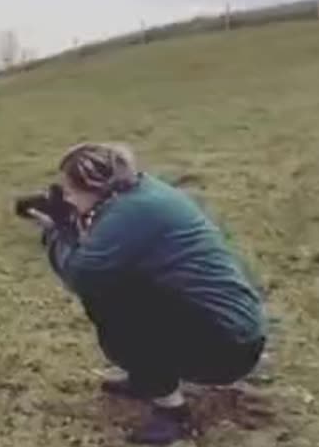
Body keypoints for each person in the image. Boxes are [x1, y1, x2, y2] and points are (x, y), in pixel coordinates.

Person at [31, 142, 267, 445]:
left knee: (110, 297)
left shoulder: (129, 213)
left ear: (93, 186)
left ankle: (171, 411)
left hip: (225, 349)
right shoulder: (142, 193)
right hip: (234, 329)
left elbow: (81, 275)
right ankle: (149, 377)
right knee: (126, 287)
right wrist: (74, 220)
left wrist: (56, 231)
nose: (67, 198)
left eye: (71, 191)